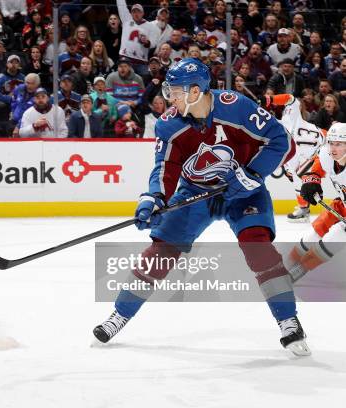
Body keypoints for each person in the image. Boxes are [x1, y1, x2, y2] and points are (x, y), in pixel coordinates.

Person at [92, 58, 311, 357]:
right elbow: (165, 167)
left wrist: (253, 174)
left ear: (196, 90)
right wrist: (153, 198)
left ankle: (288, 320)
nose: (171, 97)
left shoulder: (238, 107)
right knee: (161, 250)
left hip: (243, 191)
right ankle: (120, 314)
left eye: (177, 91)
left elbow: (283, 142)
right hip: (196, 193)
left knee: (257, 246)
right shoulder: (169, 123)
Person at [285, 123, 346, 283]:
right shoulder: (327, 155)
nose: (333, 148)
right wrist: (311, 181)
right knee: (313, 234)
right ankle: (285, 265)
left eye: (338, 144)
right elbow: (312, 169)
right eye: (331, 143)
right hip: (342, 205)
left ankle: (300, 270)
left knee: (332, 239)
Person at [267, 94, 326, 223]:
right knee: (298, 179)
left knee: (298, 178)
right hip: (317, 149)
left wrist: (271, 99)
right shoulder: (285, 126)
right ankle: (304, 209)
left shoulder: (289, 118)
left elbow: (290, 98)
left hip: (321, 147)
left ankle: (304, 209)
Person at [116, 1, 158, 76]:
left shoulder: (150, 26)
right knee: (126, 81)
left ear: (143, 13)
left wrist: (147, 42)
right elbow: (121, 6)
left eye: (138, 11)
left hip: (141, 61)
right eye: (134, 12)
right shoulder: (127, 20)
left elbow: (154, 43)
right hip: (126, 58)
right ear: (131, 13)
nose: (136, 14)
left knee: (143, 81)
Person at [0, 54, 25, 121]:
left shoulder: (23, 78)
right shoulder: (0, 78)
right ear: (7, 64)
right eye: (11, 62)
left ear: (19, 65)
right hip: (5, 102)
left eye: (16, 62)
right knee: (1, 105)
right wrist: (10, 99)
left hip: (19, 101)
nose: (14, 64)